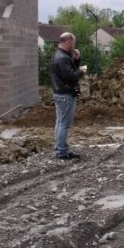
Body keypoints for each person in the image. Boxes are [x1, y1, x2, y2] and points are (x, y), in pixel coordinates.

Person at [50, 32, 85, 160]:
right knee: (64, 124)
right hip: (65, 94)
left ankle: (60, 148)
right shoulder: (62, 58)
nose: (74, 45)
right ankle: (62, 151)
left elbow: (68, 71)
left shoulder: (59, 55)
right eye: (74, 43)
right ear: (69, 41)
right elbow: (70, 76)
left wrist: (76, 59)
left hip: (60, 93)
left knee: (60, 122)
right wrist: (81, 71)